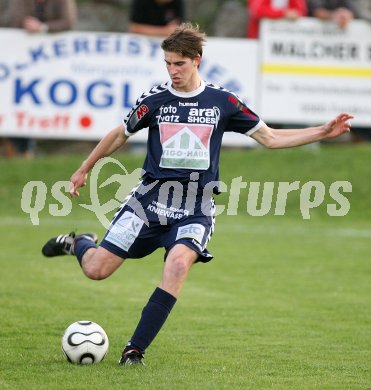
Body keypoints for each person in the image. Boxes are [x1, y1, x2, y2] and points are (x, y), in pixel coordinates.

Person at [41, 23, 353, 366]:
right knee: (97, 270)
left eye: (179, 64)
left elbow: (271, 138)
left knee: (177, 265)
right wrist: (84, 168)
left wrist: (323, 131)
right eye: (168, 64)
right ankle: (78, 242)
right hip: (148, 203)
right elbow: (120, 133)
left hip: (195, 208)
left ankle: (134, 350)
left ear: (197, 60)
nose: (173, 71)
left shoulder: (223, 101)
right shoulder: (155, 101)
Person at [3, 0, 77, 158]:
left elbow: (68, 22)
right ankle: (21, 150)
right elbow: (14, 20)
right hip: (21, 60)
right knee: (18, 105)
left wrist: (42, 28)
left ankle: (26, 150)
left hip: (53, 65)